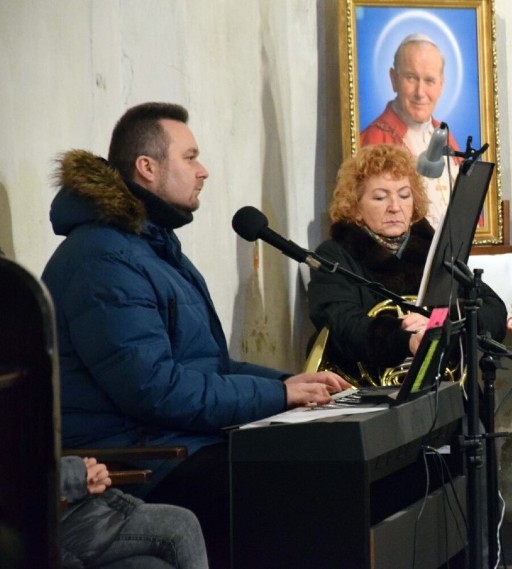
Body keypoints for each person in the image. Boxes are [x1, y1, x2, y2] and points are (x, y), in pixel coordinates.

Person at [41, 102, 349, 567]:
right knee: (300, 484)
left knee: (330, 462)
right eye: (190, 157)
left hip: (178, 440)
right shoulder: (102, 259)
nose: (203, 171)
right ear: (147, 167)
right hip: (139, 459)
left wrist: (291, 385)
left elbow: (212, 367)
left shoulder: (152, 247)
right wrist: (275, 395)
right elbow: (155, 389)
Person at [308, 143, 507, 386]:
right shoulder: (334, 256)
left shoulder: (434, 249)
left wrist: (441, 324)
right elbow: (344, 326)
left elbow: (493, 310)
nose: (395, 207)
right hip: (367, 394)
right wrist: (404, 338)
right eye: (380, 197)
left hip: (443, 388)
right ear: (355, 208)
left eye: (404, 195)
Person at [360, 33, 463, 229]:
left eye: (429, 81)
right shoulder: (374, 139)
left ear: (441, 86)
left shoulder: (446, 138)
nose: (420, 92)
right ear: (393, 79)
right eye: (411, 78)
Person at [60, 456, 208, 568]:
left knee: (152, 565)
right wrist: (77, 473)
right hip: (59, 528)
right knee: (180, 524)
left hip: (74, 511)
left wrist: (82, 471)